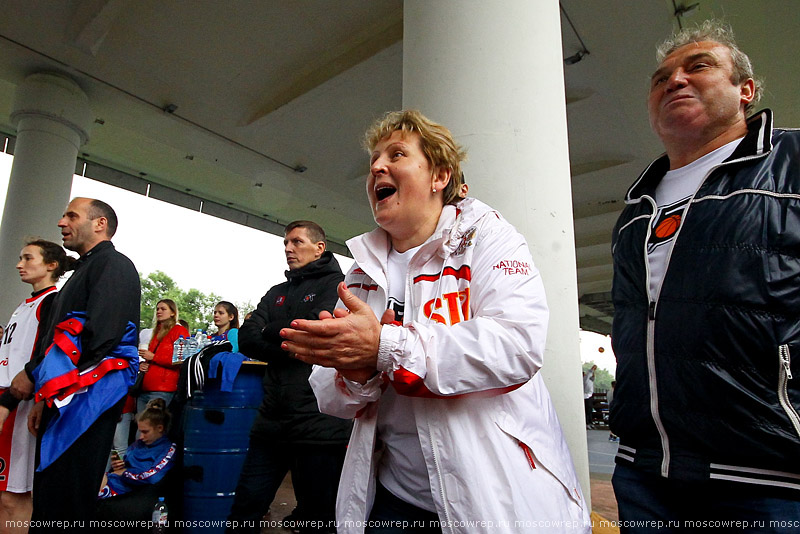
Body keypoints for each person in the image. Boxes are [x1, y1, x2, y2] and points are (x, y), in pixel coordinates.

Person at [281, 110, 589, 533]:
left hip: (491, 498)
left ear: (439, 176)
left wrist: (385, 347)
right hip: (393, 496)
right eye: (374, 159)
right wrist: (355, 372)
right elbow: (331, 398)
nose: (375, 167)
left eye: (397, 154)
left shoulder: (488, 236)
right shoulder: (360, 271)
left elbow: (517, 345)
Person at [610, 21, 800, 531]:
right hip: (644, 472)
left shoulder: (792, 163)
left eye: (698, 67)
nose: (674, 81)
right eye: (661, 77)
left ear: (746, 91)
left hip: (768, 477)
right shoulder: (637, 204)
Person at [6, 198, 140, 531]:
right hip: (62, 399)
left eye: (71, 215)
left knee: (67, 500)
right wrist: (43, 396)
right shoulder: (86, 269)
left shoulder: (114, 265)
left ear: (100, 224)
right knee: (51, 496)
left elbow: (99, 338)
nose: (61, 222)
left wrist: (38, 377)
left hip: (84, 404)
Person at [226, 221, 352, 534]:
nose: (288, 249)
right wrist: (289, 337)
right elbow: (247, 338)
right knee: (243, 510)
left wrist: (271, 331)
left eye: (296, 242)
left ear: (319, 247)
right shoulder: (277, 292)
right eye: (285, 243)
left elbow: (315, 335)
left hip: (318, 423)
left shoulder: (339, 285)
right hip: (271, 421)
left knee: (317, 520)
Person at [0, 240, 72, 531]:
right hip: (7, 399)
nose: (20, 264)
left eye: (28, 258)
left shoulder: (52, 302)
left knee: (14, 495)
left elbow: (46, 357)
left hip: (20, 404)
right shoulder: (25, 304)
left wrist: (33, 400)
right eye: (20, 258)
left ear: (51, 265)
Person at [99, 398, 176, 499]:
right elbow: (123, 468)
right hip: (115, 481)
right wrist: (119, 466)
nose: (141, 437)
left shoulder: (168, 450)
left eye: (145, 432)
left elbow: (152, 477)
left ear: (160, 428)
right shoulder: (138, 444)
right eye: (140, 431)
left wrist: (124, 473)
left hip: (129, 493)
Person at [137, 299, 189, 413]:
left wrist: (154, 357)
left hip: (163, 389)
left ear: (173, 313)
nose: (159, 311)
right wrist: (142, 364)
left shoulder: (179, 330)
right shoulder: (156, 332)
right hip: (145, 387)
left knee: (152, 427)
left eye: (163, 309)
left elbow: (182, 359)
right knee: (142, 427)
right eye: (157, 309)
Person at [583, 364, 597, 429]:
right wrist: (592, 370)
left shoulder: (589, 380)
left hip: (589, 395)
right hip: (586, 396)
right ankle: (588, 422)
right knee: (587, 410)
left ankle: (589, 422)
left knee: (589, 410)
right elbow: (589, 374)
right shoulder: (586, 379)